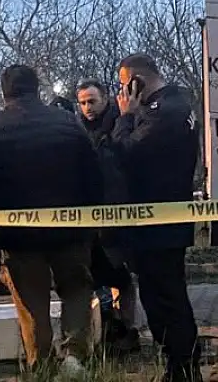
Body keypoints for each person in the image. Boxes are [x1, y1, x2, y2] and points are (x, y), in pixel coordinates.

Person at [0, 65, 103, 375]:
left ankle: (41, 364)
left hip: (19, 237)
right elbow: (93, 175)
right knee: (77, 290)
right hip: (70, 230)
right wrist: (92, 220)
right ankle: (75, 356)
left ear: (4, 92)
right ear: (36, 88)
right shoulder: (68, 124)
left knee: (31, 303)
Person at [112, 54, 202, 382]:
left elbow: (125, 153)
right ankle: (180, 364)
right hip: (163, 222)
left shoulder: (162, 112)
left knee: (165, 299)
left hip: (157, 225)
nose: (122, 92)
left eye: (124, 84)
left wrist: (125, 117)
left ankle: (182, 366)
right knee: (164, 295)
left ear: (137, 81)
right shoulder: (175, 105)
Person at [76, 79, 140, 354]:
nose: (87, 107)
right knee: (96, 277)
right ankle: (105, 330)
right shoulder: (77, 130)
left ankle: (128, 329)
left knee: (122, 277)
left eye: (92, 101)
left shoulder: (120, 124)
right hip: (88, 220)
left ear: (105, 99)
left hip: (117, 215)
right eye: (82, 103)